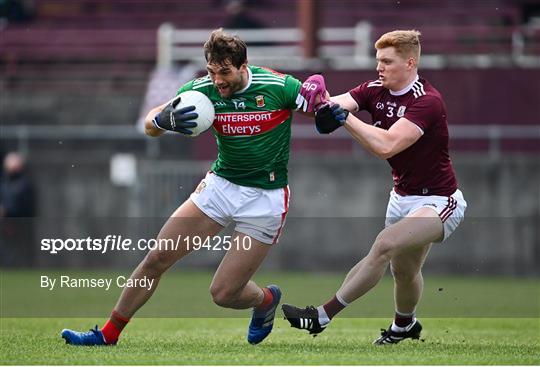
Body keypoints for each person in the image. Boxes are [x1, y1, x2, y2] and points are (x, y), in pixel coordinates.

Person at [61, 28, 308, 346]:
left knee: (223, 293)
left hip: (265, 198)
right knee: (156, 258)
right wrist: (162, 121)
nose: (217, 80)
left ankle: (265, 301)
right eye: (211, 71)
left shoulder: (279, 86)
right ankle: (107, 334)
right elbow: (151, 123)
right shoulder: (201, 90)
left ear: (243, 66)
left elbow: (323, 106)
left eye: (225, 72)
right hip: (220, 187)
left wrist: (321, 100)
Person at [282, 30, 467, 345]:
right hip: (402, 198)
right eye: (377, 60)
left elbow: (387, 146)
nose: (379, 67)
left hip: (440, 202)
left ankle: (320, 316)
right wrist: (311, 96)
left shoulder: (427, 101)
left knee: (383, 245)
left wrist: (345, 119)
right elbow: (329, 106)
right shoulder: (373, 89)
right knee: (404, 273)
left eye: (387, 61)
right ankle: (404, 325)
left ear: (410, 63)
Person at [0, 152, 36, 267]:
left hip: (18, 223)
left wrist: (6, 211)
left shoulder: (24, 184)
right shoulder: (5, 183)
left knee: (18, 253)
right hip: (6, 224)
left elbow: (24, 206)